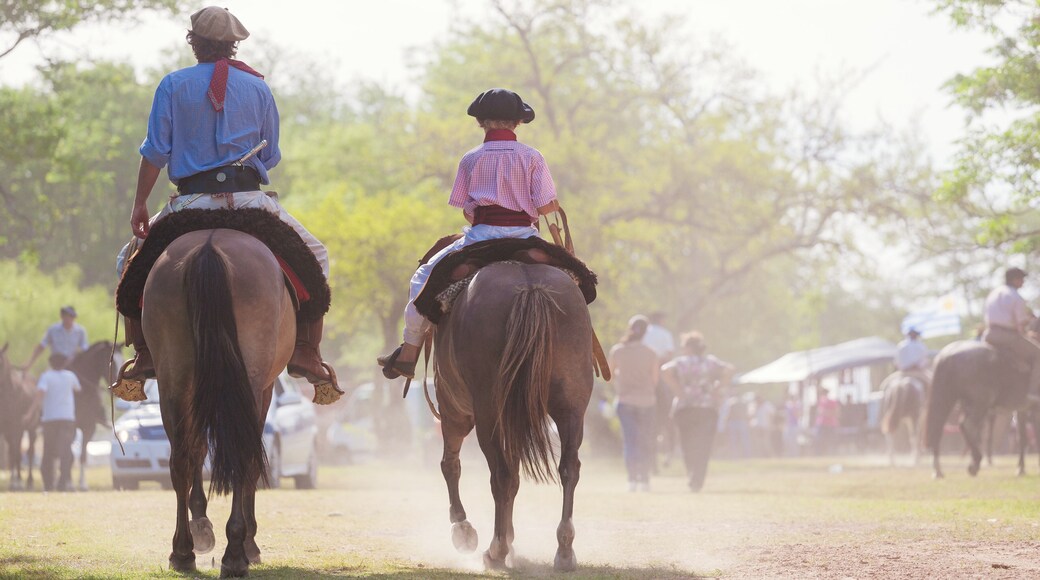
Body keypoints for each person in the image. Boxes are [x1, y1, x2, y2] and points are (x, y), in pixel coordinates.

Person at [112, 6, 336, 395]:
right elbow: (272, 156)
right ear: (233, 45)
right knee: (317, 257)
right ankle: (306, 351)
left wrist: (140, 204)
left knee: (125, 263)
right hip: (250, 202)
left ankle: (145, 353)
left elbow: (154, 152)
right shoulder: (259, 88)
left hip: (189, 205)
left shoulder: (172, 84)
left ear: (193, 43)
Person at [378, 88, 559, 379]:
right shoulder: (533, 157)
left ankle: (409, 351)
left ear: (482, 122)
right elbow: (545, 205)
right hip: (525, 236)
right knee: (576, 277)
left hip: (481, 238)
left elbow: (466, 210)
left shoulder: (471, 159)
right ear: (518, 123)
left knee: (422, 278)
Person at [660, 331, 733, 491]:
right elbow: (728, 369)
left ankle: (692, 475)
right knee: (704, 444)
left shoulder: (681, 362)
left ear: (688, 347)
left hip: (685, 408)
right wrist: (717, 389)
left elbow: (664, 370)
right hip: (707, 407)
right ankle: (698, 478)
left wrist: (678, 390)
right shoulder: (710, 362)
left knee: (687, 442)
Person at [608, 316, 660, 491]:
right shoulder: (651, 353)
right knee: (645, 440)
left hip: (625, 401)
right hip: (647, 402)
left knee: (630, 441)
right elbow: (654, 380)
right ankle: (645, 480)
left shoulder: (618, 351)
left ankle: (632, 480)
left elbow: (609, 376)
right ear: (646, 332)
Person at [982, 267, 1040, 392]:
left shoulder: (994, 293)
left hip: (989, 335)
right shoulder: (1015, 296)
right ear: (1015, 280)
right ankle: (1033, 393)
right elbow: (1021, 324)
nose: (1023, 282)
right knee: (1038, 354)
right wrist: (1028, 334)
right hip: (1007, 336)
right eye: (1022, 279)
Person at [36, 353, 81, 492]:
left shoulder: (46, 376)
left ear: (51, 363)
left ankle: (48, 483)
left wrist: (34, 411)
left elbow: (40, 393)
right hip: (67, 418)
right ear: (64, 363)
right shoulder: (70, 376)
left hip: (50, 419)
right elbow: (78, 389)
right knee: (65, 450)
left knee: (48, 450)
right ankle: (63, 482)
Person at [20, 306, 88, 371]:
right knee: (46, 379)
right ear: (62, 316)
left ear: (74, 318)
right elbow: (41, 346)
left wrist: (78, 353)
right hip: (55, 364)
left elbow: (85, 348)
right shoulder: (53, 329)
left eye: (71, 316)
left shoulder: (80, 331)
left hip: (72, 365)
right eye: (66, 316)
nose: (68, 319)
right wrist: (29, 363)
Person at [895, 327, 931, 392]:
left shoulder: (901, 345)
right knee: (932, 384)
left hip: (904, 372)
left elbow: (898, 361)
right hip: (918, 371)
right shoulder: (921, 346)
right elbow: (924, 360)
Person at [814, 387, 840, 455]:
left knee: (831, 440)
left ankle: (832, 453)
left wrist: (825, 412)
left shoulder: (832, 402)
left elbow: (836, 412)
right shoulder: (820, 402)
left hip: (830, 424)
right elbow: (819, 412)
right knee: (820, 440)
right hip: (821, 424)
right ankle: (821, 454)